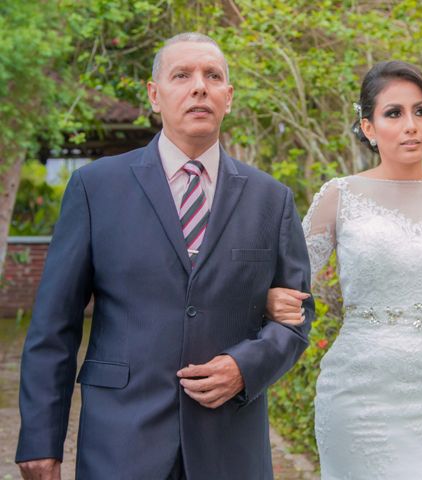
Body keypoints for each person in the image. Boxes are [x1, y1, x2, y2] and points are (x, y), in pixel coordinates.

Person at [15, 32, 313, 480]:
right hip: (121, 440)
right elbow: (54, 325)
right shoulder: (96, 188)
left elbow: (296, 318)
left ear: (228, 98)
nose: (199, 87)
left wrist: (244, 368)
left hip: (229, 445)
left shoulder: (271, 199)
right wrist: (40, 439)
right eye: (182, 75)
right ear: (155, 95)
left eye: (213, 76)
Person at [267, 61, 422, 479]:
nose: (411, 125)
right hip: (361, 398)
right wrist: (271, 299)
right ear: (368, 127)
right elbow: (289, 283)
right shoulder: (339, 196)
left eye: (421, 111)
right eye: (394, 113)